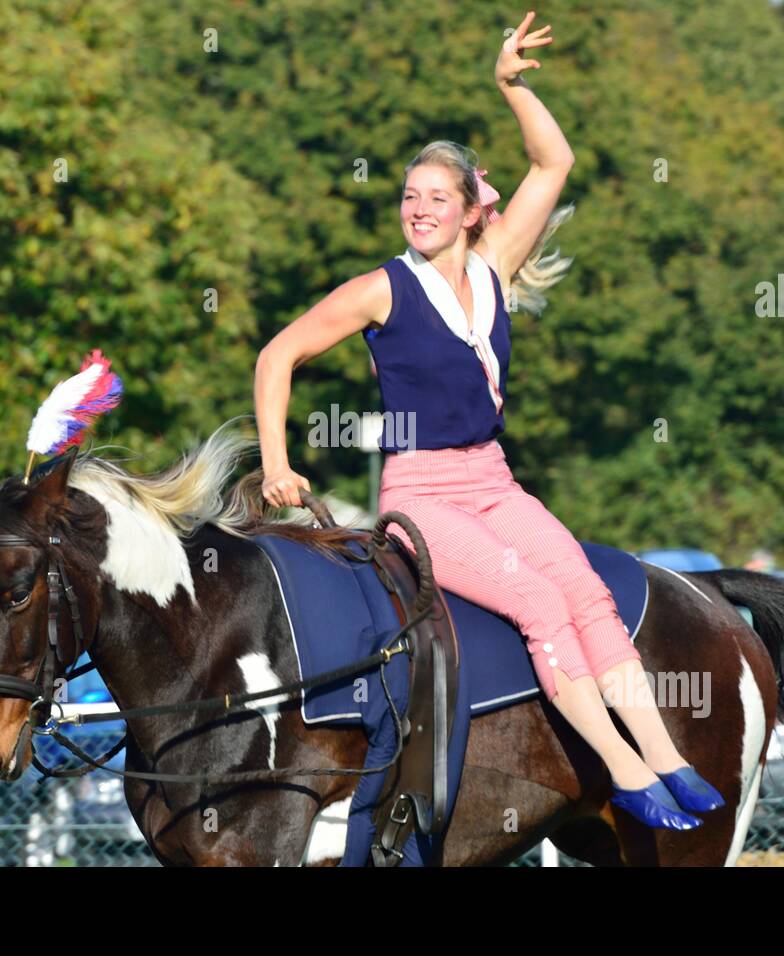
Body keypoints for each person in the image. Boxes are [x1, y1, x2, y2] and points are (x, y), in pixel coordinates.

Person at [253, 11, 723, 830]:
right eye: (410, 196)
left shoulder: (494, 267)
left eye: (438, 197)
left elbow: (557, 159)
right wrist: (274, 462)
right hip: (424, 497)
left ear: (474, 211)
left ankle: (671, 760)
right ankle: (625, 774)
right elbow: (276, 356)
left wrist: (508, 85)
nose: (419, 208)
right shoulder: (382, 288)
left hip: (493, 480)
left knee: (585, 593)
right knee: (539, 606)